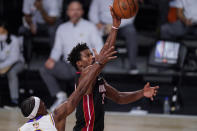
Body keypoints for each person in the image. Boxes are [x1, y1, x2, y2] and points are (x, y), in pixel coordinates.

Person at [69, 7, 159, 131]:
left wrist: (141, 93)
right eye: (87, 55)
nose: (92, 56)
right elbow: (105, 52)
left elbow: (119, 97)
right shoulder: (83, 75)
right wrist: (101, 59)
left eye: (91, 54)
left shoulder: (97, 78)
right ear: (79, 63)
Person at [18, 21, 117, 131]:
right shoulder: (56, 116)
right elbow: (105, 53)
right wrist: (114, 27)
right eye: (41, 103)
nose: (44, 103)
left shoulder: (22, 129)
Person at [39, 1, 103, 111]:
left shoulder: (90, 27)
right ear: (68, 12)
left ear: (82, 12)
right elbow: (57, 49)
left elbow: (99, 46)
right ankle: (60, 96)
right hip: (67, 66)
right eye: (72, 10)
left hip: (85, 66)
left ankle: (83, 103)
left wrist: (92, 59)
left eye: (78, 9)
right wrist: (52, 59)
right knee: (44, 69)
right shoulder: (62, 28)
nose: (75, 12)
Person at [88, 0, 138, 74]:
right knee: (92, 31)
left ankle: (133, 65)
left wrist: (114, 25)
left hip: (122, 25)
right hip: (104, 25)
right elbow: (92, 13)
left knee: (131, 32)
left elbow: (131, 16)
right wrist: (97, 23)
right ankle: (95, 65)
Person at [0, 20, 24, 107]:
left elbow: (14, 58)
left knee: (11, 72)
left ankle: (14, 99)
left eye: (2, 32)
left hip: (17, 63)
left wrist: (1, 67)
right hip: (2, 63)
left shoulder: (14, 40)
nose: (1, 34)